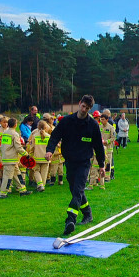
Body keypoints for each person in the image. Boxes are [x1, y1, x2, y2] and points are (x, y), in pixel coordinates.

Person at [45, 94, 106, 236]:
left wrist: (102, 165)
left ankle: (70, 220)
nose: (84, 110)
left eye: (88, 108)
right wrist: (49, 150)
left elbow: (98, 146)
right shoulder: (67, 121)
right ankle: (87, 213)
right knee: (75, 190)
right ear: (79, 104)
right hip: (70, 161)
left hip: (84, 162)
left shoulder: (93, 125)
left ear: (90, 109)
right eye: (83, 106)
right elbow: (55, 136)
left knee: (78, 189)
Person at [0, 118, 32, 198]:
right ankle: (3, 193)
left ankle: (22, 190)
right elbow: (18, 147)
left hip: (7, 158)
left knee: (18, 175)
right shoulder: (14, 134)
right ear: (15, 125)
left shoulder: (5, 133)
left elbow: (2, 146)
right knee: (7, 177)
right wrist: (26, 154)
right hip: (11, 159)